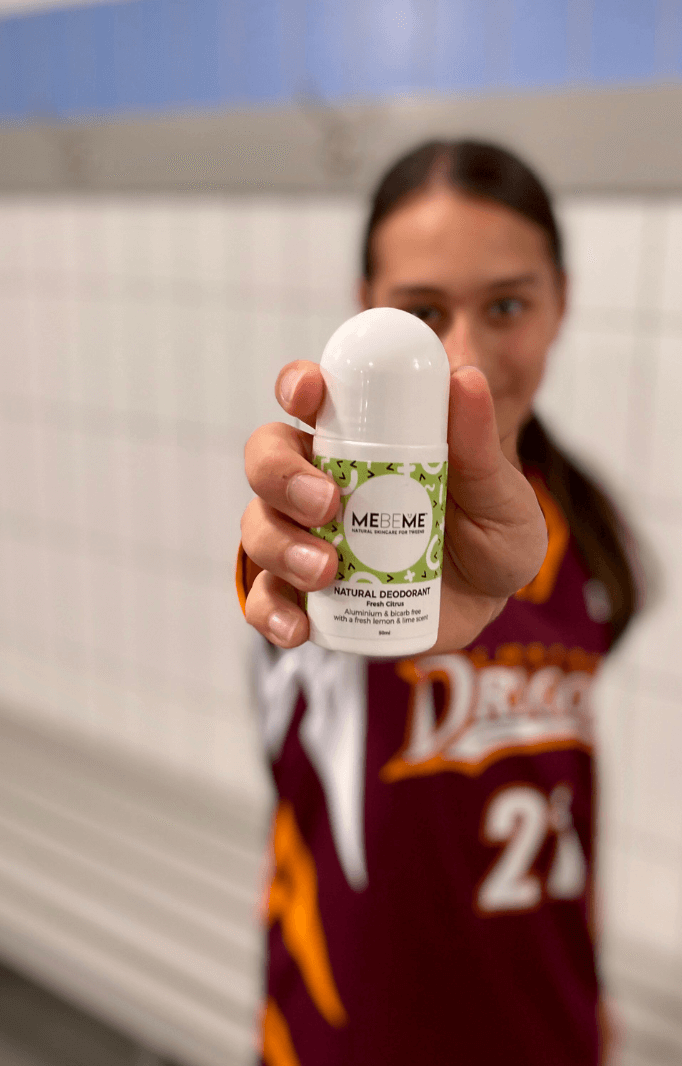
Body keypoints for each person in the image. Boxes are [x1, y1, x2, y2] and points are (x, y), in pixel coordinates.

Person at [237, 140, 640, 1066]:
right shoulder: (343, 528)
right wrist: (281, 556)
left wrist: (596, 983)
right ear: (367, 307)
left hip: (545, 1025)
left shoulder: (584, 533)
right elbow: (280, 607)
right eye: (423, 311)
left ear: (561, 304)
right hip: (348, 1034)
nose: (465, 359)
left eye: (506, 305)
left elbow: (565, 786)